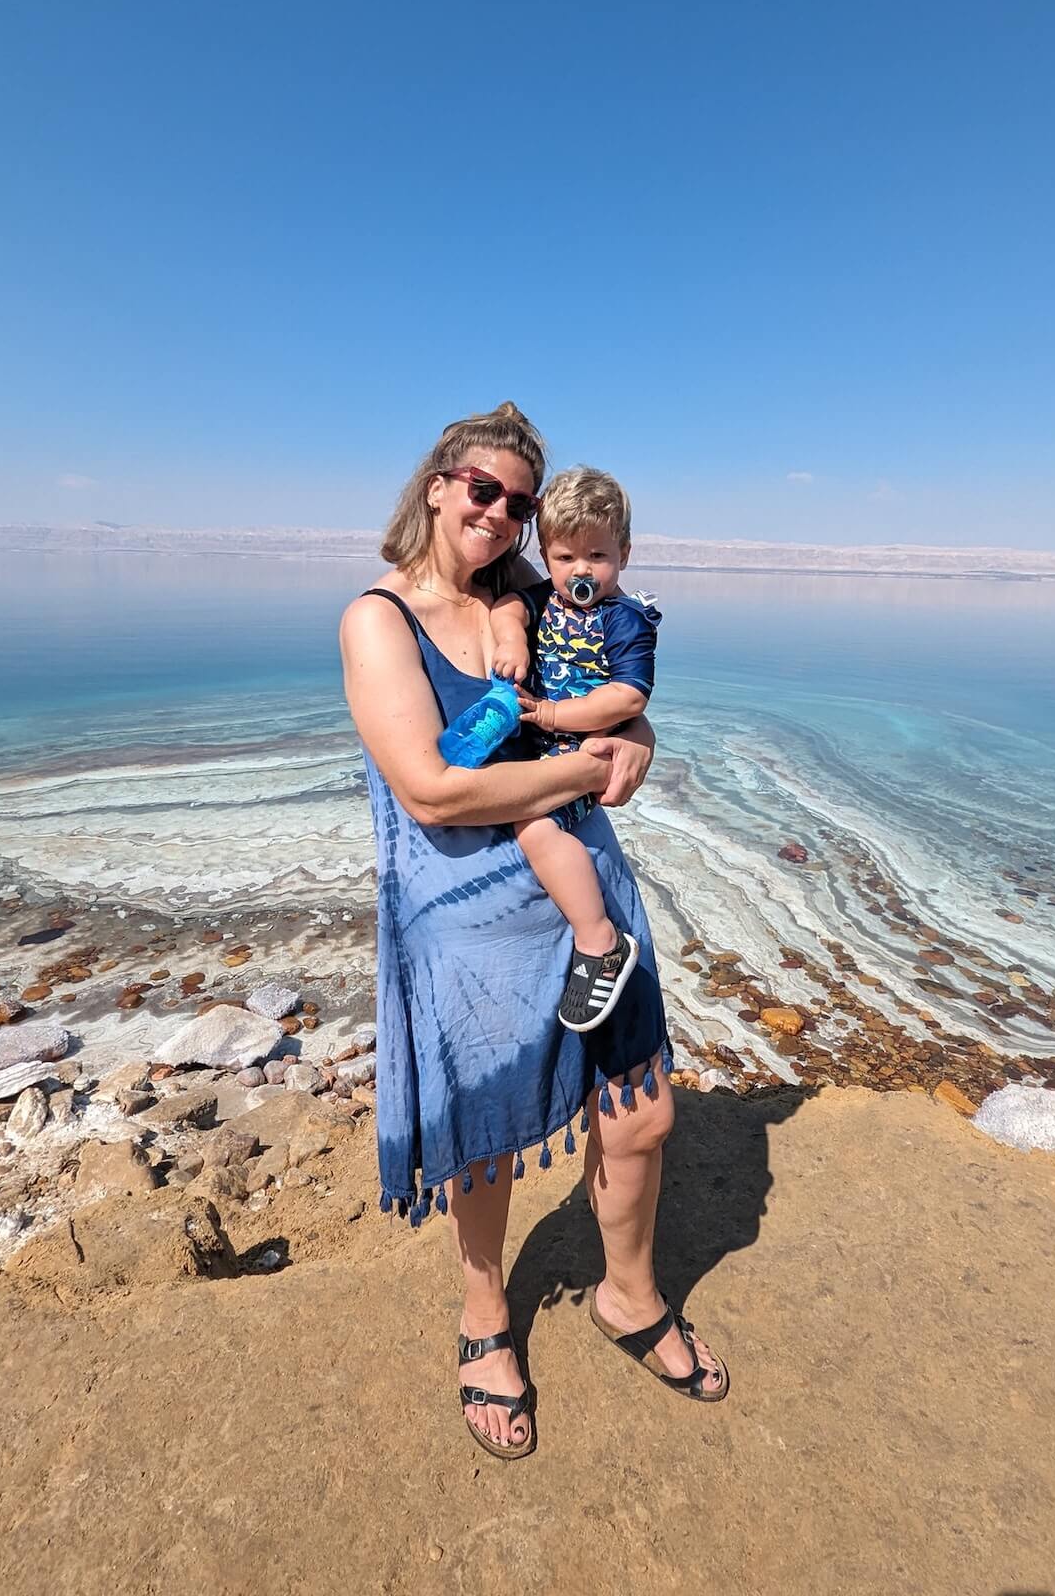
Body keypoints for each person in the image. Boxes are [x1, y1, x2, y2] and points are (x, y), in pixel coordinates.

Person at [339, 401, 728, 1462]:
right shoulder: (380, 618)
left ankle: (629, 1293)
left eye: (519, 503)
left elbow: (601, 675)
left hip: (588, 892)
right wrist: (585, 762)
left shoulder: (527, 591)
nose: (501, 514)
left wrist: (635, 722)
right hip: (470, 929)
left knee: (641, 1116)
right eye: (484, 490)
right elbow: (430, 789)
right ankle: (482, 1311)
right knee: (491, 1139)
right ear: (436, 483)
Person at [486, 466, 661, 1034]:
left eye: (597, 556)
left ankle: (599, 938)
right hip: (540, 749)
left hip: (581, 754)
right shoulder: (543, 600)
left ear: (624, 554)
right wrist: (513, 636)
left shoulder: (625, 619)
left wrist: (555, 714)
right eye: (565, 558)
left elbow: (629, 692)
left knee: (533, 828)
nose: (580, 571)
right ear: (546, 553)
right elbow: (508, 604)